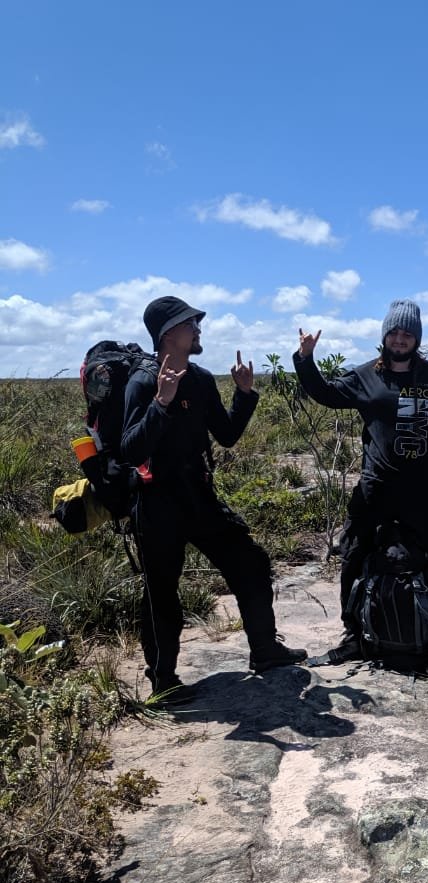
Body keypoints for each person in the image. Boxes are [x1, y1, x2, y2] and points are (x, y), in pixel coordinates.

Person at [293, 298, 428, 662]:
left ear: (416, 339)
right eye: (394, 332)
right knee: (354, 554)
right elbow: (325, 393)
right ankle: (354, 634)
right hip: (375, 488)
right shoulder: (365, 377)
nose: (400, 339)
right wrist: (305, 359)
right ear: (384, 336)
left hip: (421, 491)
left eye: (407, 334)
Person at [122, 295, 307, 704]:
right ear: (167, 334)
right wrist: (161, 402)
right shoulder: (143, 382)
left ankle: (265, 650)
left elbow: (226, 435)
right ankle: (163, 682)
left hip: (199, 496)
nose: (198, 329)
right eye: (190, 324)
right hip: (156, 504)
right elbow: (131, 450)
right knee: (161, 591)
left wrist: (244, 394)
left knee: (250, 562)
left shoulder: (201, 379)